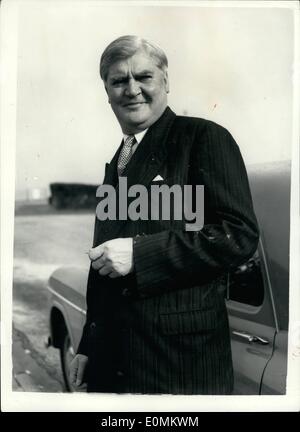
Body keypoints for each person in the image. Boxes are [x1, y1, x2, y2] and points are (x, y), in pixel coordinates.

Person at [69, 35, 259, 394]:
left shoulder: (204, 138)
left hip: (179, 368)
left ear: (166, 81)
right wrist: (88, 347)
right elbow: (105, 268)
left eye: (144, 77)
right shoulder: (120, 160)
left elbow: (239, 235)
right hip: (115, 366)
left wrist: (140, 255)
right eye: (119, 81)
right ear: (106, 91)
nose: (132, 89)